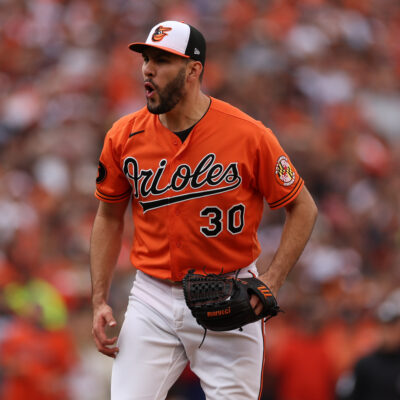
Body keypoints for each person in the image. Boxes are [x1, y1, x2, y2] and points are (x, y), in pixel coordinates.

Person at [90, 20, 317, 400]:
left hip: (230, 294)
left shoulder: (247, 134)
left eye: (161, 60)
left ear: (194, 70)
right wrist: (99, 298)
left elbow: (303, 208)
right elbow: (108, 215)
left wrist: (271, 282)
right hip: (152, 298)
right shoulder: (123, 135)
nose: (147, 69)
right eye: (146, 58)